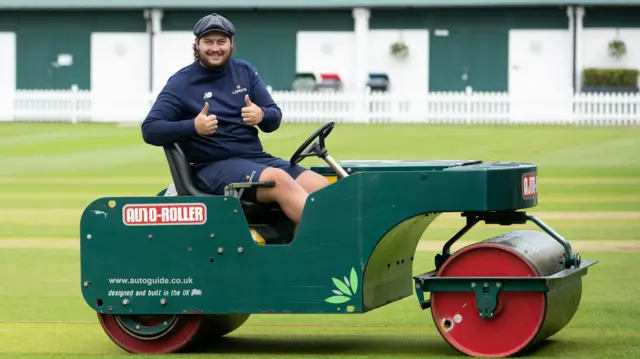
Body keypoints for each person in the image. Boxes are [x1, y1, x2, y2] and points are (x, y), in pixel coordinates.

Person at [141, 13, 330, 227]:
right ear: (196, 44)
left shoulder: (244, 72)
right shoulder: (181, 83)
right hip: (212, 168)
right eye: (208, 42)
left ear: (231, 44)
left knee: (319, 186)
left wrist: (261, 115)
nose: (215, 48)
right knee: (278, 180)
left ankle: (302, 255)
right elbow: (150, 129)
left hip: (255, 158)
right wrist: (193, 126)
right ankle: (329, 241)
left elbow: (273, 118)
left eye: (221, 42)